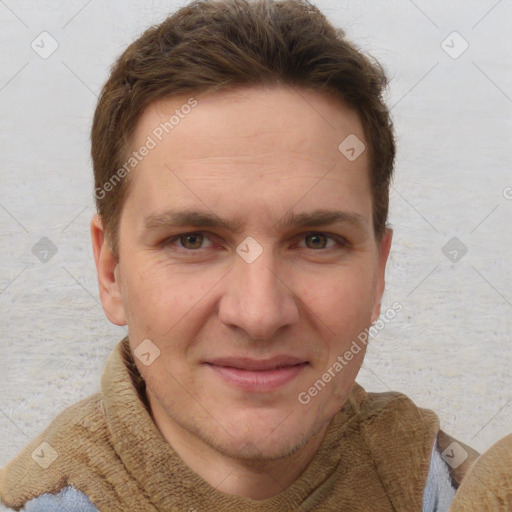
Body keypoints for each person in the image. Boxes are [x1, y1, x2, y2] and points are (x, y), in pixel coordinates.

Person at [2, 0, 506, 510]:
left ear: (379, 274)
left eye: (316, 240)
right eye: (193, 240)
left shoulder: (463, 490)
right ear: (110, 273)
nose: (259, 314)